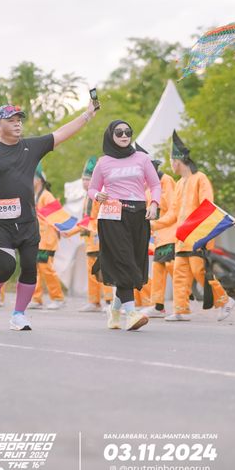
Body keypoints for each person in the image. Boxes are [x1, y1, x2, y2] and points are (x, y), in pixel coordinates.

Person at [0, 101, 99, 331]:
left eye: (19, 120)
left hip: (27, 220)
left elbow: (61, 133)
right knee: (7, 264)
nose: (17, 124)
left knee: (29, 267)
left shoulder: (31, 147)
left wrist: (87, 115)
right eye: (11, 121)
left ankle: (19, 315)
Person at [153, 131, 234, 322]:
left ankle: (225, 301)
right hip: (181, 238)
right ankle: (181, 310)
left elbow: (207, 207)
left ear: (177, 161)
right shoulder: (180, 183)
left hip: (197, 236)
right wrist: (153, 224)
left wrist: (198, 234)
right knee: (180, 274)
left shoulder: (200, 178)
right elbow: (173, 214)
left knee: (199, 271)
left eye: (171, 161)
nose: (171, 165)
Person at [88, 120, 161, 331]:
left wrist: (154, 204)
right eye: (118, 132)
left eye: (127, 132)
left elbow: (155, 184)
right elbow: (92, 189)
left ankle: (114, 309)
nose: (124, 135)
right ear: (110, 136)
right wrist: (97, 195)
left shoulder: (142, 158)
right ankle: (131, 314)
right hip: (112, 216)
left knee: (134, 263)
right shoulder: (103, 162)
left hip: (138, 214)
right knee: (123, 261)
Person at [63, 156, 114, 312]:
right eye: (83, 179)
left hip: (99, 237)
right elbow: (86, 220)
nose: (85, 182)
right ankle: (94, 301)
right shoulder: (87, 196)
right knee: (92, 272)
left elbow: (100, 218)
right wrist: (70, 232)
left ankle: (109, 301)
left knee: (103, 270)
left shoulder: (100, 195)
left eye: (88, 179)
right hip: (90, 240)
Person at [140, 158, 176, 318]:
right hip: (159, 236)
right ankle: (158, 306)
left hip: (170, 233)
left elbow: (173, 209)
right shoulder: (148, 189)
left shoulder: (166, 181)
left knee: (173, 268)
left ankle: (183, 303)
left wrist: (156, 224)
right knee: (158, 269)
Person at [28, 163, 65, 310]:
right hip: (37, 239)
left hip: (47, 239)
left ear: (39, 180)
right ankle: (36, 299)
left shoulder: (46, 196)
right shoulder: (35, 196)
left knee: (46, 269)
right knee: (35, 269)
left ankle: (58, 298)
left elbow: (57, 216)